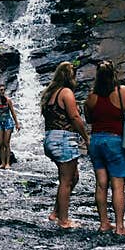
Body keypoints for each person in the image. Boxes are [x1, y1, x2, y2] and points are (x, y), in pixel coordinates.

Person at [84, 60, 125, 235]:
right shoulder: (122, 92)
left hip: (96, 142)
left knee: (101, 184)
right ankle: (120, 227)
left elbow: (89, 119)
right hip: (114, 142)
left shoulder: (91, 97)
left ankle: (103, 224)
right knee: (118, 186)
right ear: (113, 74)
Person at [40, 62, 89, 229]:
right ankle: (64, 220)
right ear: (70, 77)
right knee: (67, 180)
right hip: (63, 139)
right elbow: (75, 117)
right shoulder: (66, 92)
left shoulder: (49, 93)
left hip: (50, 138)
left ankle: (56, 213)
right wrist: (86, 138)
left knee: (72, 177)